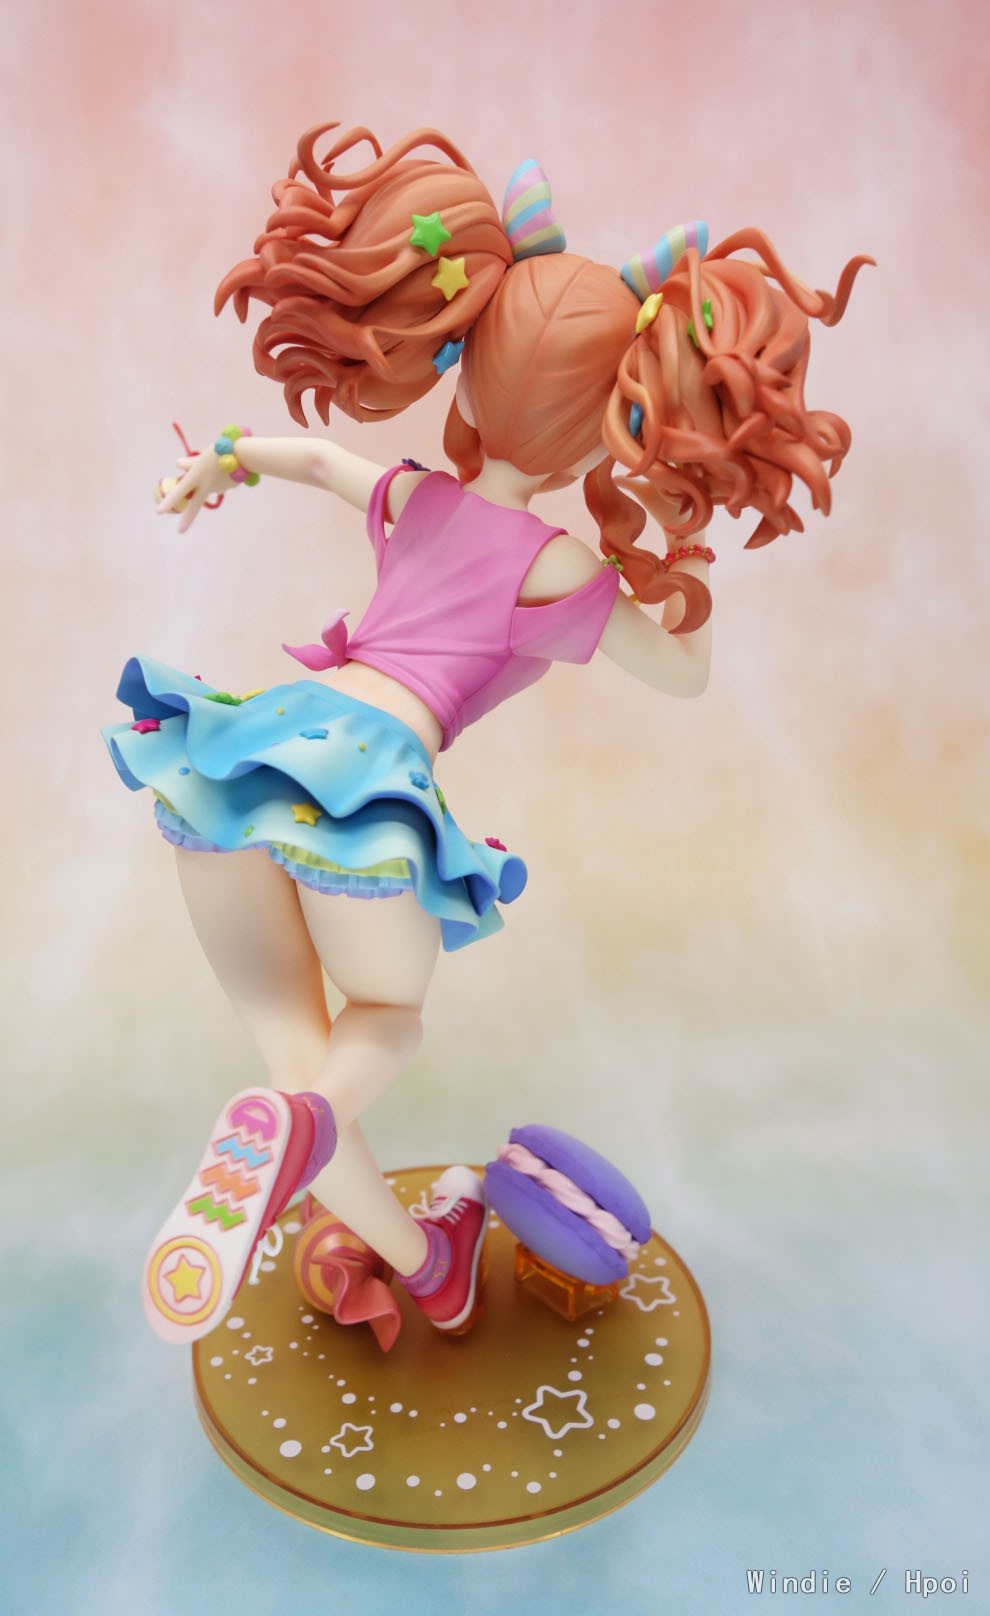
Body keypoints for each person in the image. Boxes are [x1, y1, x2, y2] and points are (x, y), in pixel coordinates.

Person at [103, 123, 869, 1346]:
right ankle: (299, 1129)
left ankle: (426, 1265)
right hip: (365, 792)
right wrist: (679, 543)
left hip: (241, 758)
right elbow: (683, 675)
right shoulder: (559, 566)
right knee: (383, 1025)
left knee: (298, 1058)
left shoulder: (417, 494)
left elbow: (315, 457)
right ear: (605, 423)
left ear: (465, 359)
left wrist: (219, 462)